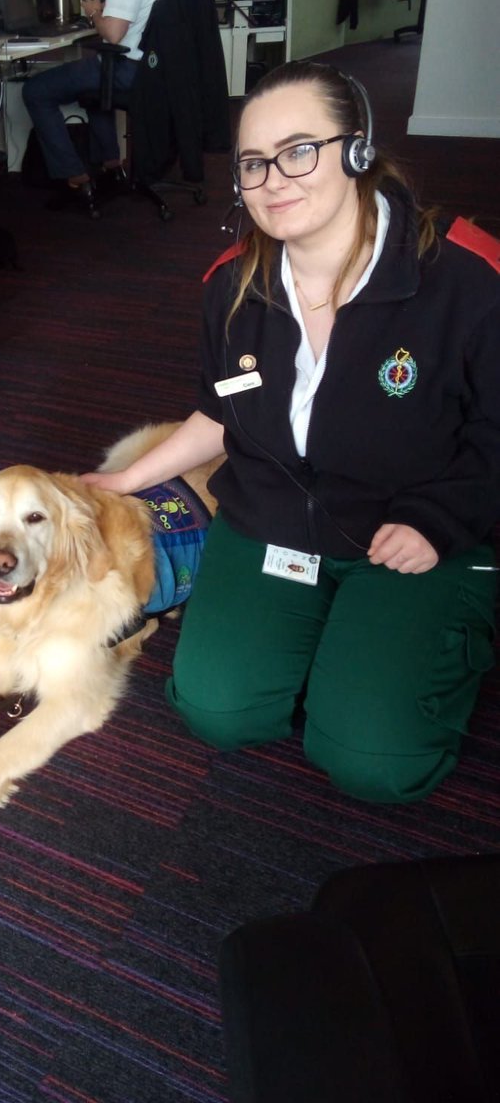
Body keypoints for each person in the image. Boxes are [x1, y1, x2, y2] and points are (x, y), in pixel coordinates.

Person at [83, 60, 500, 805]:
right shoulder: (231, 287)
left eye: (300, 149)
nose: (274, 177)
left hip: (410, 537)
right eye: (252, 163)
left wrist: (441, 520)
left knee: (376, 762)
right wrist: (124, 480)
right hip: (274, 520)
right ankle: (331, 646)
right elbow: (222, 411)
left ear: (359, 149)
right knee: (217, 708)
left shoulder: (466, 278)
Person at [21, 0, 198, 211]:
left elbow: (113, 34)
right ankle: (112, 165)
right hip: (169, 70)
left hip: (132, 70)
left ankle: (76, 179)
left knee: (35, 91)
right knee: (94, 89)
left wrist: (95, 14)